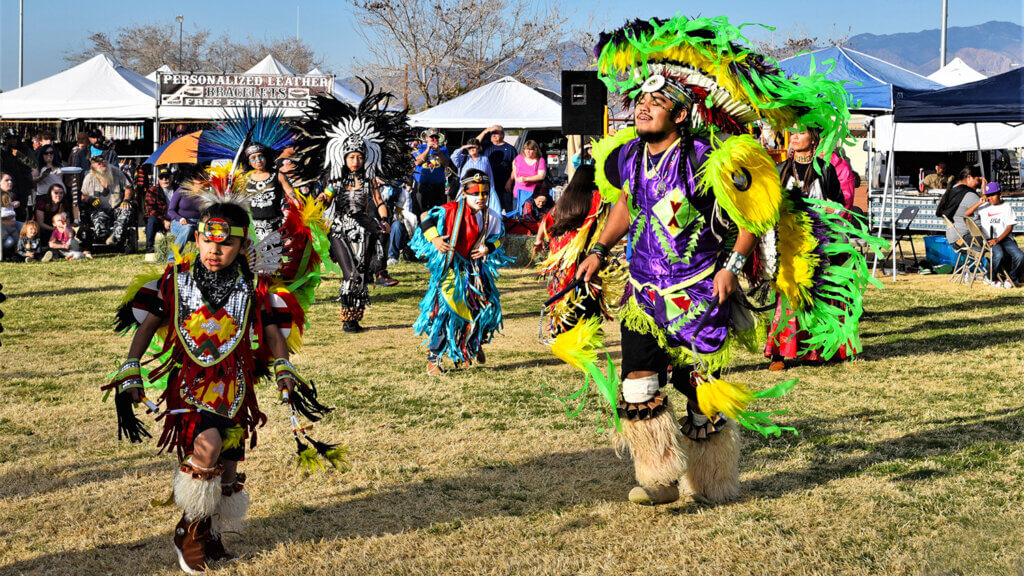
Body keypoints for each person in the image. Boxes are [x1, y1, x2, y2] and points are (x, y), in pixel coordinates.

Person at [572, 15, 879, 507]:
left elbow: (753, 217)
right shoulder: (625, 157)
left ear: (681, 114)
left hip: (698, 289)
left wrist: (730, 269)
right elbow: (625, 208)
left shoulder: (710, 157)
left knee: (701, 391)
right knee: (637, 382)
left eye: (656, 102)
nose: (642, 108)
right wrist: (597, 249)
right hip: (644, 290)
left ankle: (713, 481)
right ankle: (658, 477)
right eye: (640, 101)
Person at [102, 191, 335, 574]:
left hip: (236, 389)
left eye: (226, 243)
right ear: (196, 239)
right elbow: (148, 324)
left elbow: (273, 330)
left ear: (244, 246)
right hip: (190, 386)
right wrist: (131, 366)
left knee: (227, 468)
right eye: (208, 240)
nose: (215, 249)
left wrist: (283, 367)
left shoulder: (256, 286)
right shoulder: (176, 280)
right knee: (205, 450)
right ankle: (188, 531)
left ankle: (210, 533)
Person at [291, 89, 415, 332]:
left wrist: (384, 220)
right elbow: (324, 200)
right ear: (344, 159)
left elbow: (379, 202)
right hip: (340, 230)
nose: (355, 161)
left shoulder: (369, 182)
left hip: (366, 229)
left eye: (359, 157)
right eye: (351, 157)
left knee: (360, 274)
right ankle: (347, 318)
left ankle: (354, 318)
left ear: (365, 158)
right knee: (350, 274)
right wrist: (311, 212)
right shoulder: (335, 182)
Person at [411, 169, 510, 375]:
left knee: (483, 309)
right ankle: (433, 359)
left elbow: (500, 236)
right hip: (451, 270)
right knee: (444, 313)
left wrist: (488, 248)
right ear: (464, 193)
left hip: (476, 273)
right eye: (475, 193)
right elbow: (424, 219)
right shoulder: (449, 210)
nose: (481, 198)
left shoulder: (490, 216)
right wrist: (435, 239)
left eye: (484, 193)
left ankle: (474, 346)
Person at [764, 129, 848, 370]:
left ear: (814, 139)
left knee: (819, 292)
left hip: (818, 240)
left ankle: (818, 348)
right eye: (793, 133)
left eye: (801, 133)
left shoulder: (826, 169)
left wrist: (832, 209)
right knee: (787, 294)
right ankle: (780, 352)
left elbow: (839, 203)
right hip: (789, 240)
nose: (794, 137)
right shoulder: (781, 169)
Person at [965, 182, 1022, 287]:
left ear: (1000, 194)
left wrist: (998, 239)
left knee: (1019, 255)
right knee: (998, 254)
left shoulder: (1006, 207)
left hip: (1005, 239)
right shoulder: (984, 207)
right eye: (988, 195)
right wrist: (979, 202)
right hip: (989, 239)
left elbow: (1010, 227)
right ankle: (990, 277)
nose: (990, 198)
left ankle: (1011, 279)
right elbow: (967, 214)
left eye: (993, 195)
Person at [81, 155, 135, 252]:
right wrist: (90, 200)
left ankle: (115, 236)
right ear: (93, 167)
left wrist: (126, 200)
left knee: (127, 209)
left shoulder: (117, 172)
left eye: (104, 161)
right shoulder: (89, 178)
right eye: (99, 163)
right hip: (99, 209)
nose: (103, 164)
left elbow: (128, 188)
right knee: (99, 223)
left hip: (117, 206)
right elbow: (83, 196)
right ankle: (105, 237)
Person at [451, 138, 503, 215]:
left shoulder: (484, 159)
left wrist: (491, 189)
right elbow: (453, 157)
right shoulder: (463, 158)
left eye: (474, 147)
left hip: (482, 190)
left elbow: (489, 175)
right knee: (462, 211)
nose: (472, 149)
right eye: (469, 148)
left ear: (478, 148)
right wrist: (463, 147)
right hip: (466, 190)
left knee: (487, 211)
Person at [936, 165, 985, 247]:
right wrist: (984, 192)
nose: (979, 184)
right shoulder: (969, 195)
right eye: (977, 180)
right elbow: (988, 211)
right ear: (969, 177)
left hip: (954, 237)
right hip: (964, 238)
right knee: (998, 241)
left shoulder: (953, 190)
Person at [412, 129, 452, 216]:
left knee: (436, 212)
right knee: (419, 211)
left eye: (436, 137)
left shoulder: (443, 149)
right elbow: (417, 162)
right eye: (431, 137)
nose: (434, 139)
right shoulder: (420, 148)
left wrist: (438, 151)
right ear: (426, 138)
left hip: (437, 186)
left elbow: (446, 164)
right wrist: (427, 149)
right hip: (422, 185)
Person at [477, 125, 517, 212]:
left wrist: (510, 181)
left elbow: (515, 168)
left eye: (496, 133)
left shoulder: (511, 149)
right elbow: (473, 144)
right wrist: (485, 131)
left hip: (505, 184)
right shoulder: (486, 147)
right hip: (489, 184)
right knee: (489, 209)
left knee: (508, 209)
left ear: (502, 134)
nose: (493, 135)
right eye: (492, 133)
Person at [167, 170, 204, 261]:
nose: (203, 180)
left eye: (205, 178)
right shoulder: (182, 190)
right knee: (187, 228)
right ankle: (172, 258)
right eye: (200, 178)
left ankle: (202, 258)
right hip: (179, 223)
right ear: (193, 179)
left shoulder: (206, 194)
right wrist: (180, 219)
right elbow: (170, 210)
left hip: (198, 224)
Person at [511, 140, 546, 216]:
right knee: (517, 215)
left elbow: (541, 176)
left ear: (535, 150)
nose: (528, 152)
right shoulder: (519, 158)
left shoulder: (540, 160)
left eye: (530, 150)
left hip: (533, 194)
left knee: (531, 215)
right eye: (526, 149)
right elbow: (514, 163)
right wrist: (515, 176)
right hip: (518, 193)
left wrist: (525, 179)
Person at [144, 169, 174, 252]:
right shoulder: (153, 190)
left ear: (171, 178)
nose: (164, 179)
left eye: (167, 177)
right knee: (152, 221)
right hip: (160, 219)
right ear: (158, 180)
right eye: (161, 177)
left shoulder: (178, 190)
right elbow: (150, 209)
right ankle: (149, 247)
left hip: (175, 219)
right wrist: (164, 221)